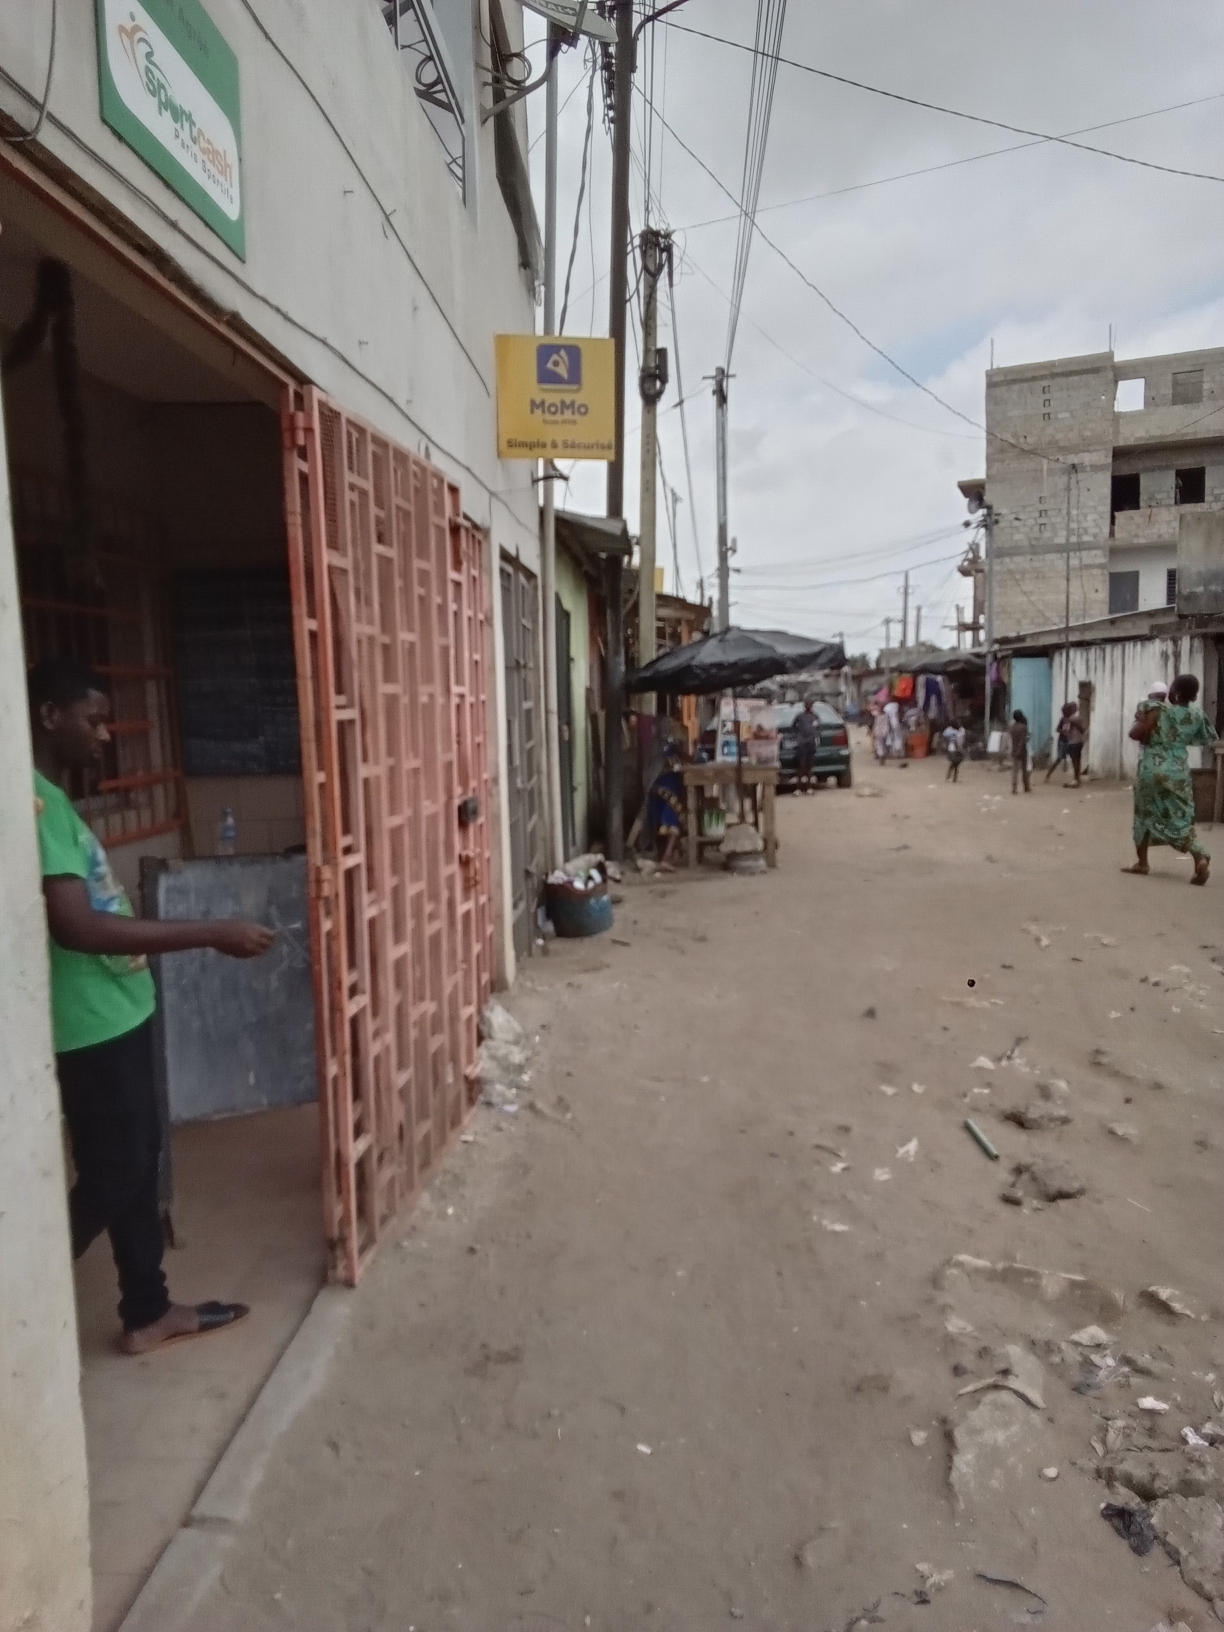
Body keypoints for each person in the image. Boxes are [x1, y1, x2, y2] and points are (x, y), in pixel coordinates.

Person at [30, 656, 276, 1355]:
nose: (104, 735)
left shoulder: (53, 799)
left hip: (118, 1009)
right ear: (49, 715)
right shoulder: (32, 803)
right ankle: (21, 1288)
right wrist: (210, 932)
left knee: (134, 1166)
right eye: (93, 719)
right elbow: (76, 926)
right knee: (115, 1173)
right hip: (89, 1025)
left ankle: (148, 1309)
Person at [1124, 671, 1217, 884]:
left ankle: (1142, 863)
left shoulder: (1156, 709)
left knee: (1144, 813)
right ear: (1194, 696)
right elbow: (1208, 738)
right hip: (1178, 771)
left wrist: (1144, 721)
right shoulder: (1196, 715)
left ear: (1174, 692)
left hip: (1152, 768)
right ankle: (1199, 858)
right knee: (1180, 816)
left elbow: (1135, 734)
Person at [646, 728, 687, 871]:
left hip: (654, 791)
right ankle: (666, 857)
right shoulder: (674, 748)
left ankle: (663, 855)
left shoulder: (656, 747)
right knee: (674, 818)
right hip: (669, 793)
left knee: (662, 822)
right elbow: (687, 759)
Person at [1045, 701, 1086, 786]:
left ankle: (1077, 778)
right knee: (1060, 758)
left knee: (1075, 759)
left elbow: (1080, 729)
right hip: (1063, 742)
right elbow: (1058, 729)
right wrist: (1064, 732)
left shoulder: (1073, 719)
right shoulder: (1064, 720)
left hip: (1071, 741)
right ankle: (1048, 774)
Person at [792, 699, 819, 791]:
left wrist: (815, 736)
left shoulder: (815, 717)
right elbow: (793, 726)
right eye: (807, 705)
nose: (809, 706)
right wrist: (798, 736)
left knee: (810, 766)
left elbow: (818, 728)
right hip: (802, 744)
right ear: (804, 706)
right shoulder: (800, 716)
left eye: (810, 705)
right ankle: (798, 788)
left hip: (811, 743)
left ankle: (809, 787)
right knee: (801, 765)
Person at [1009, 709, 1031, 793]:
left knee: (1015, 770)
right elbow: (1022, 741)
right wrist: (1019, 750)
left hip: (1014, 749)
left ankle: (1014, 788)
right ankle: (1026, 786)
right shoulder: (1023, 727)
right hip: (1022, 750)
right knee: (1025, 769)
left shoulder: (1012, 727)